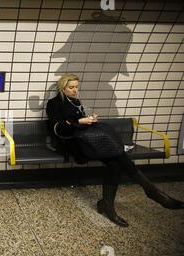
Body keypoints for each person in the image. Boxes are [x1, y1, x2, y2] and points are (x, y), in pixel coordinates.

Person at [46, 73, 184, 227]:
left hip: (85, 142)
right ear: (62, 87)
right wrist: (79, 120)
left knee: (116, 163)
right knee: (118, 156)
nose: (75, 90)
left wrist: (90, 120)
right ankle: (152, 192)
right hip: (70, 144)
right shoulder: (54, 103)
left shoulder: (76, 101)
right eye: (71, 87)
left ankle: (109, 205)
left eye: (77, 87)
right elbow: (59, 129)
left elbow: (81, 127)